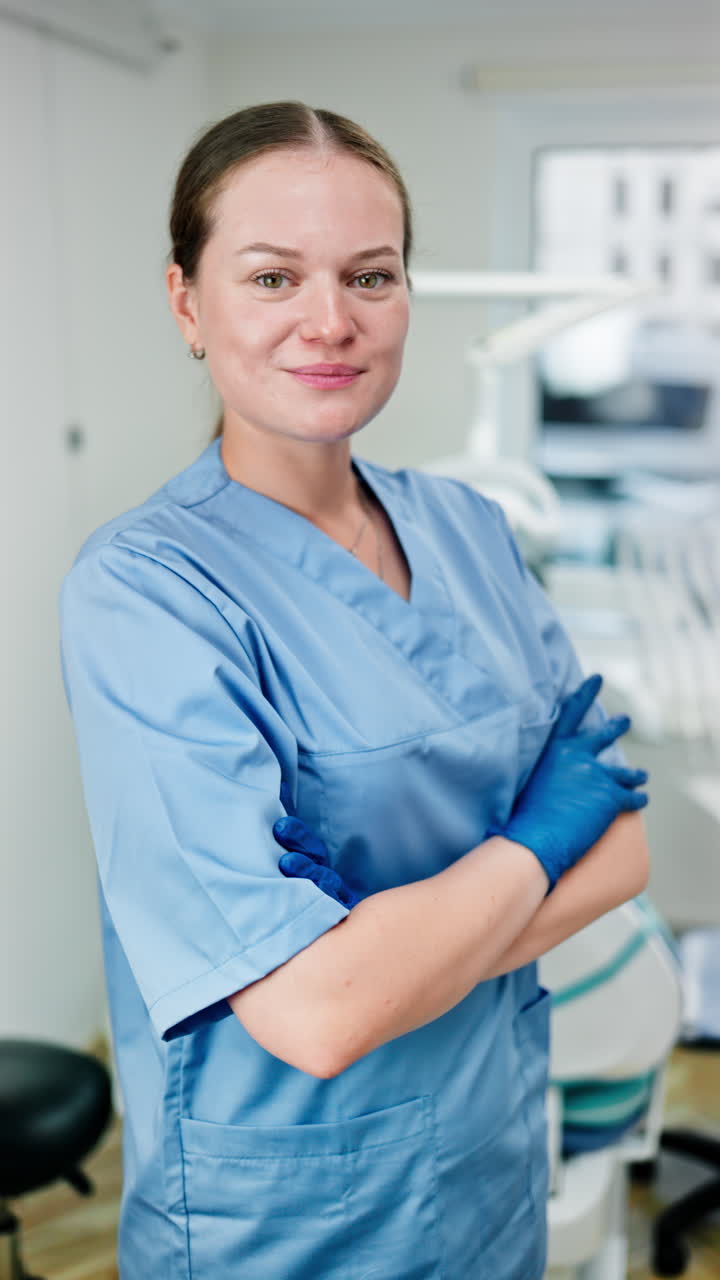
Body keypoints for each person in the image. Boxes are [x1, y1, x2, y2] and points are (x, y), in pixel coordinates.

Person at [59, 101, 650, 1280]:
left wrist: (385, 950)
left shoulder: (469, 528)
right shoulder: (145, 592)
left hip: (489, 1165)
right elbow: (315, 1018)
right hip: (288, 1220)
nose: (330, 321)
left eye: (370, 275)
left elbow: (627, 850)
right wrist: (541, 832)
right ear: (187, 301)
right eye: (272, 276)